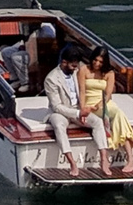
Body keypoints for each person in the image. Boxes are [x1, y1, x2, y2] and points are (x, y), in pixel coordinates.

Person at [77, 50, 133, 176]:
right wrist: (83, 109)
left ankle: (131, 158)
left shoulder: (109, 73)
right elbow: (82, 92)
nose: (97, 64)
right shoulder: (84, 70)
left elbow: (107, 95)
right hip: (89, 104)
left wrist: (100, 105)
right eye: (95, 60)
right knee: (118, 115)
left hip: (104, 103)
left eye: (100, 62)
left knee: (117, 114)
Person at [41, 43, 104, 176]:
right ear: (64, 62)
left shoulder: (77, 70)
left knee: (98, 122)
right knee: (59, 125)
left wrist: (83, 108)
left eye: (77, 65)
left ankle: (104, 158)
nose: (76, 68)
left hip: (77, 108)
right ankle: (72, 163)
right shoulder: (51, 79)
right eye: (73, 66)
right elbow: (57, 106)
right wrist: (78, 113)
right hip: (59, 112)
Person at [0, 22, 56, 88]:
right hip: (26, 45)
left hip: (37, 53)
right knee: (6, 52)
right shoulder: (29, 26)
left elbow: (45, 44)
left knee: (16, 57)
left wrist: (29, 46)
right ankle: (16, 79)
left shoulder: (47, 29)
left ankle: (25, 83)